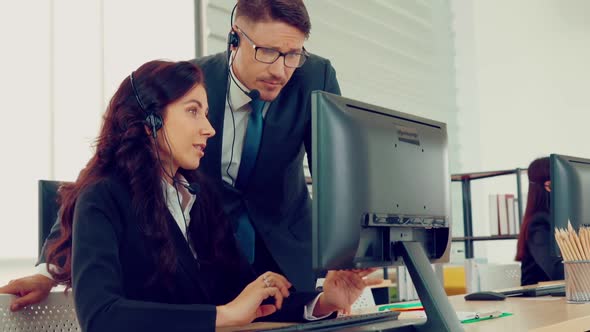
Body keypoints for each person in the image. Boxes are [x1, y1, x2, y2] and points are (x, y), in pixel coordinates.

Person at [1, 0, 343, 308]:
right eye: (268, 52)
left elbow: (336, 178)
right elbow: (106, 165)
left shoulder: (314, 76)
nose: (281, 70)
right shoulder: (188, 85)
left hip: (282, 248)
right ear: (234, 39)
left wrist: (346, 256)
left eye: (293, 54)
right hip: (203, 257)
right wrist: (49, 269)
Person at [24, 60, 376, 331]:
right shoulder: (103, 198)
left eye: (206, 113)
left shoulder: (198, 198)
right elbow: (101, 317)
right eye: (193, 111)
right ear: (150, 121)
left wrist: (323, 302)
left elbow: (246, 295)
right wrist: (223, 315)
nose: (209, 128)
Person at [515, 157, 564, 286]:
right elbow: (558, 272)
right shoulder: (539, 223)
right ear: (549, 186)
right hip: (539, 301)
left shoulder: (564, 220)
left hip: (561, 297)